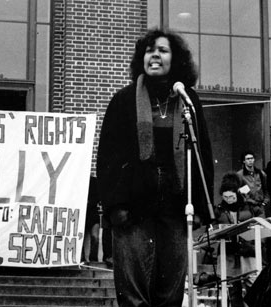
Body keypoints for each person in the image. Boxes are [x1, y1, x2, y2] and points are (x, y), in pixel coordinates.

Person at [96, 28, 214, 307]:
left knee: (170, 292)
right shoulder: (124, 100)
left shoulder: (188, 100)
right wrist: (115, 205)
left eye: (162, 50)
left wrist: (198, 203)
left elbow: (202, 154)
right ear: (142, 58)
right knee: (134, 294)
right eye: (150, 50)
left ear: (177, 59)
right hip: (133, 210)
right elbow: (108, 157)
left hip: (174, 208)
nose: (155, 56)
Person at [214, 172, 265, 307]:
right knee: (232, 289)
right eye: (225, 197)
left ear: (237, 193)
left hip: (247, 250)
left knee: (253, 286)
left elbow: (262, 220)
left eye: (231, 196)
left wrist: (257, 241)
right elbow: (213, 227)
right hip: (228, 253)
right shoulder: (219, 210)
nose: (228, 200)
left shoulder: (250, 206)